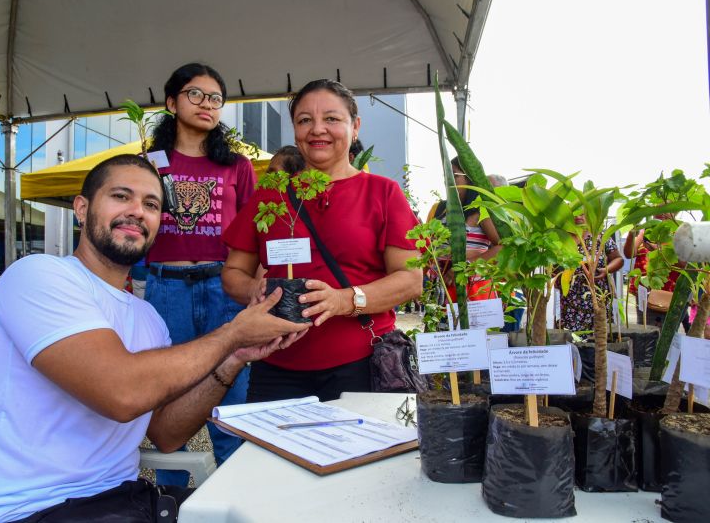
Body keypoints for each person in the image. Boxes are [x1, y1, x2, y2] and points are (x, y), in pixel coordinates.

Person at [0, 154, 308, 522]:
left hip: (119, 502)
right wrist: (231, 334)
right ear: (81, 209)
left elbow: (165, 433)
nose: (137, 211)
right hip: (23, 510)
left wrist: (235, 357)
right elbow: (121, 393)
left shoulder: (147, 317)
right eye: (121, 196)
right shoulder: (38, 275)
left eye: (151, 204)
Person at [222, 79, 423, 403]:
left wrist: (345, 300)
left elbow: (411, 280)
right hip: (276, 366)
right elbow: (233, 271)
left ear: (355, 127)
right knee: (273, 453)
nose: (317, 129)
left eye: (331, 118)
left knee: (360, 454)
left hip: (360, 364)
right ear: (295, 129)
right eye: (305, 120)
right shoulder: (270, 196)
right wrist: (251, 290)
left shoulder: (383, 192)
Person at [145, 63, 256, 486]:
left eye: (214, 98)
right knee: (168, 396)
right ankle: (168, 503)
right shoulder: (152, 161)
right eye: (195, 95)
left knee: (231, 404)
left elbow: (253, 233)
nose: (206, 104)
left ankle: (235, 500)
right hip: (164, 286)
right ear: (172, 102)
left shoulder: (237, 167)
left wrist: (252, 287)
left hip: (223, 287)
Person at [426, 158, 503, 302]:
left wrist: (466, 267)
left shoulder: (481, 210)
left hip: (475, 291)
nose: (447, 180)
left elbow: (502, 248)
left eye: (454, 175)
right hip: (441, 291)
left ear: (469, 179)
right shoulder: (438, 209)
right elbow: (427, 248)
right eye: (445, 176)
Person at [559, 215, 624, 333]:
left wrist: (606, 270)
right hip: (571, 301)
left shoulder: (600, 236)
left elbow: (618, 259)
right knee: (573, 338)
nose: (578, 216)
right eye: (574, 212)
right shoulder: (562, 238)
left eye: (583, 213)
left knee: (601, 336)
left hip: (599, 296)